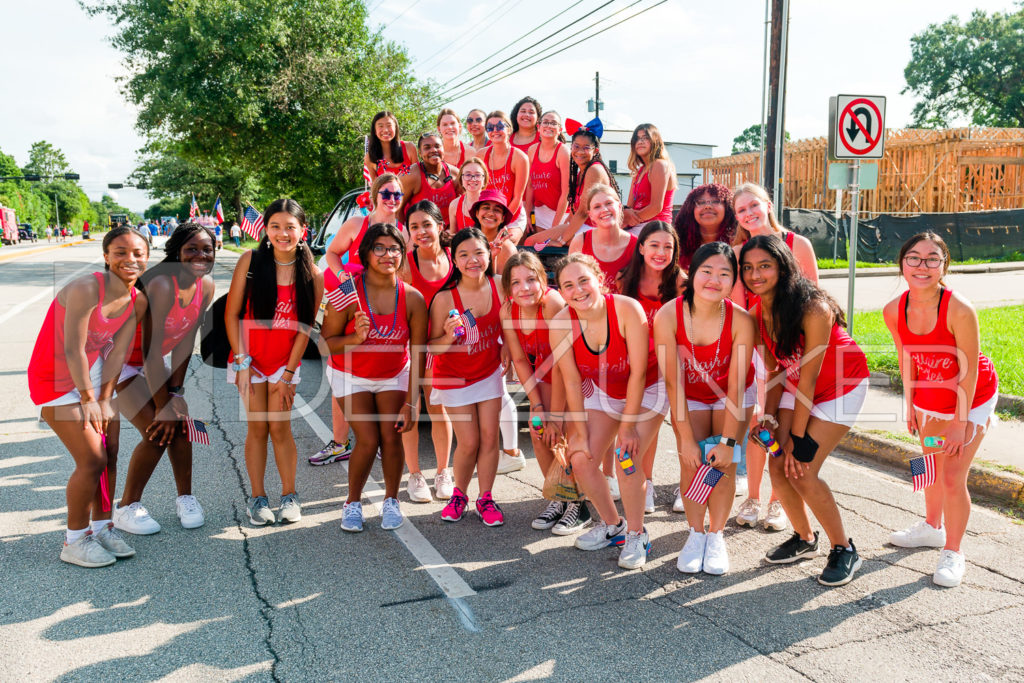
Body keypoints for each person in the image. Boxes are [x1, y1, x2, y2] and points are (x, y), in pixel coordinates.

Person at [740, 234, 869, 586]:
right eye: (748, 267)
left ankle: (844, 548)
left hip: (841, 386)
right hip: (796, 383)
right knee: (777, 465)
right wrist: (767, 417)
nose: (756, 274)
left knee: (802, 469)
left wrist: (796, 439)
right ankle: (804, 538)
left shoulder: (813, 307)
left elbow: (808, 379)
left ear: (783, 267)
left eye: (764, 266)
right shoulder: (757, 312)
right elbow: (776, 370)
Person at [27, 226, 150, 567]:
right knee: (92, 459)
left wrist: (106, 398)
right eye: (121, 252)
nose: (130, 259)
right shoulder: (85, 288)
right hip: (57, 378)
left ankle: (101, 526)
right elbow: (73, 347)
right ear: (106, 256)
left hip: (95, 374)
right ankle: (75, 539)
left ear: (147, 256)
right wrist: (88, 399)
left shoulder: (136, 300)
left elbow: (117, 354)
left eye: (138, 252)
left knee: (110, 450)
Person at [883, 232, 999, 587]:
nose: (922, 265)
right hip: (930, 396)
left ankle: (953, 551)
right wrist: (911, 405)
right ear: (902, 263)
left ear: (944, 265)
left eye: (932, 258)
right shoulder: (893, 309)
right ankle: (931, 526)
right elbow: (907, 357)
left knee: (952, 477)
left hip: (972, 395)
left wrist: (960, 422)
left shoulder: (959, 308)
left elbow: (968, 369)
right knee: (929, 465)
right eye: (914, 257)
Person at [549, 253, 666, 570]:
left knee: (626, 459)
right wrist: (581, 434)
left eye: (584, 280)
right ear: (561, 291)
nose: (578, 290)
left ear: (600, 279)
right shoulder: (561, 322)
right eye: (568, 285)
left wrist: (627, 428)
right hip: (604, 391)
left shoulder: (627, 309)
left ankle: (637, 534)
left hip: (648, 390)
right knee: (580, 457)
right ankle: (614, 526)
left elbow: (639, 374)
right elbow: (573, 382)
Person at [655, 242, 755, 575]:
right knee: (693, 462)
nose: (714, 280)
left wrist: (728, 442)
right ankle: (695, 534)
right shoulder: (669, 314)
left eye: (724, 274)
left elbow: (737, 387)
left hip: (731, 396)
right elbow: (673, 383)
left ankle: (716, 535)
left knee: (722, 463)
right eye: (707, 271)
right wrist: (683, 438)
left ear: (733, 281)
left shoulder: (740, 320)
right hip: (690, 394)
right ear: (692, 274)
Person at [111, 222, 216, 535]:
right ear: (176, 253)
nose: (200, 255)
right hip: (118, 365)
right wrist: (163, 406)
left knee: (182, 426)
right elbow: (151, 352)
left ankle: (186, 498)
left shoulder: (206, 286)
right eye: (191, 249)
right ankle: (126, 507)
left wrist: (177, 393)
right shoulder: (162, 285)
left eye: (207, 249)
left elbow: (185, 341)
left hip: (150, 364)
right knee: (160, 430)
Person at [322, 224, 428, 533]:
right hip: (349, 374)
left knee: (392, 435)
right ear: (366, 253)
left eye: (394, 248)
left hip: (393, 374)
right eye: (379, 248)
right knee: (368, 440)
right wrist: (355, 338)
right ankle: (352, 502)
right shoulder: (347, 293)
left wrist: (412, 401)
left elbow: (418, 352)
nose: (388, 254)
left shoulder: (413, 298)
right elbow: (327, 342)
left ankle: (391, 500)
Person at [224, 198, 324, 526]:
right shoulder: (250, 261)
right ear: (265, 229)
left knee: (280, 427)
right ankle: (257, 499)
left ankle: (289, 497)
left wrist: (289, 373)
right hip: (248, 360)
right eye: (275, 226)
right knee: (257, 428)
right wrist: (241, 363)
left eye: (290, 227)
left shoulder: (312, 274)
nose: (283, 233)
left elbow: (305, 327)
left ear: (302, 231)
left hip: (285, 361)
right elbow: (232, 314)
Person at [730, 181, 818, 531]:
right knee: (755, 421)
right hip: (756, 344)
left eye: (753, 205)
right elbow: (737, 305)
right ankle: (752, 495)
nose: (749, 213)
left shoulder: (799, 244)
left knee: (780, 420)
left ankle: (778, 500)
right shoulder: (738, 253)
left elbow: (814, 297)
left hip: (791, 345)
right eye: (741, 210)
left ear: (767, 203)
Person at [501, 252, 587, 534]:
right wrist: (538, 408)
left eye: (530, 279)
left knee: (564, 435)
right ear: (508, 287)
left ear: (542, 279)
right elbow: (521, 361)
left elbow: (566, 364)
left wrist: (557, 417)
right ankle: (557, 495)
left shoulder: (552, 304)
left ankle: (579, 503)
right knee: (538, 430)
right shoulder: (508, 311)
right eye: (515, 282)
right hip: (546, 377)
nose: (524, 288)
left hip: (574, 376)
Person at [428, 228, 507, 526]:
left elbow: (508, 326)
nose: (473, 259)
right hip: (454, 378)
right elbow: (432, 346)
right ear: (455, 260)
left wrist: (509, 350)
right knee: (470, 441)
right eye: (464, 254)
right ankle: (458, 495)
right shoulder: (445, 298)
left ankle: (485, 497)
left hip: (487, 373)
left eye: (479, 252)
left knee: (490, 437)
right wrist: (448, 337)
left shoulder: (500, 286)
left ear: (489, 254)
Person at [617, 221, 683, 513]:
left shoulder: (681, 282)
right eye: (654, 245)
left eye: (668, 247)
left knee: (683, 428)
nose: (660, 252)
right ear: (641, 247)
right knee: (646, 432)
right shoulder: (625, 280)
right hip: (635, 367)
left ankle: (687, 485)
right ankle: (647, 484)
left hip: (671, 367)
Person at [399, 201, 456, 502]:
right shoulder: (405, 264)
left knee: (438, 408)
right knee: (412, 407)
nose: (421, 231)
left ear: (440, 226)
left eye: (426, 225)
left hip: (443, 346)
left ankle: (443, 471)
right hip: (411, 347)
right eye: (414, 227)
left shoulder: (453, 259)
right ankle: (415, 475)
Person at [524, 126, 618, 249]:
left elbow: (583, 213)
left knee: (540, 245)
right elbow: (574, 211)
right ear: (571, 147)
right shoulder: (582, 172)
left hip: (597, 227)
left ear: (595, 151)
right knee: (531, 242)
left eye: (586, 148)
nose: (580, 151)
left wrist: (562, 240)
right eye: (576, 146)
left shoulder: (594, 170)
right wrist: (560, 230)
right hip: (583, 225)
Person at [326, 173, 404, 274]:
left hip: (386, 289)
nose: (392, 199)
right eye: (386, 194)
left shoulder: (405, 234)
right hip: (355, 288)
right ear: (375, 196)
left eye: (397, 195)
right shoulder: (355, 224)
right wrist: (341, 276)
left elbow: (405, 275)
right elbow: (332, 253)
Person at [480, 111, 529, 243]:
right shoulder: (480, 156)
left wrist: (501, 223)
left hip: (511, 215)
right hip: (486, 215)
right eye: (490, 127)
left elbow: (518, 197)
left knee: (506, 242)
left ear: (509, 129)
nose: (495, 131)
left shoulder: (520, 158)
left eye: (500, 126)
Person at [623, 124, 677, 235]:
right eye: (637, 139)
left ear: (655, 141)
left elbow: (655, 207)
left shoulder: (659, 165)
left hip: (656, 227)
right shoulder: (638, 172)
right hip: (637, 225)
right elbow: (629, 206)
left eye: (645, 138)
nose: (640, 141)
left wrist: (629, 220)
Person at [401, 132, 460, 228]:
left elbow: (464, 205)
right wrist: (406, 236)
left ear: (443, 149)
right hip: (421, 234)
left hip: (449, 233)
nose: (433, 150)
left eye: (437, 146)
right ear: (420, 152)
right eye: (427, 147)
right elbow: (398, 208)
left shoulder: (455, 174)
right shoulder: (411, 175)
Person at [675, 183, 737, 271]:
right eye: (701, 202)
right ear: (690, 209)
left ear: (727, 207)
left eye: (716, 201)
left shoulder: (737, 243)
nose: (707, 206)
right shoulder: (678, 246)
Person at [525, 110, 570, 232]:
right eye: (545, 122)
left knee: (556, 249)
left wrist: (555, 226)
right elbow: (530, 186)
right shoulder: (532, 150)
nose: (549, 126)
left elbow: (566, 193)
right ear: (539, 127)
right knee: (538, 248)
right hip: (540, 212)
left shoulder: (564, 152)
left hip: (561, 213)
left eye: (553, 123)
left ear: (560, 129)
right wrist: (528, 215)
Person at [470, 189, 518, 276]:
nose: (491, 213)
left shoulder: (507, 249)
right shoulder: (468, 242)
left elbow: (503, 286)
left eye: (497, 210)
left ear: (503, 218)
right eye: (486, 208)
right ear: (477, 213)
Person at [363, 111, 417, 181]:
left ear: (395, 128)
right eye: (380, 126)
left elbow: (419, 178)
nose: (385, 130)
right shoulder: (369, 157)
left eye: (389, 125)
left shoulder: (409, 147)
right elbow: (375, 187)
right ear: (375, 131)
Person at [448, 157, 488, 233]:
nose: (473, 179)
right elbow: (453, 236)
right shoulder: (454, 205)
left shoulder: (492, 203)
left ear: (484, 179)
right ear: (461, 178)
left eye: (477, 175)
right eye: (468, 174)